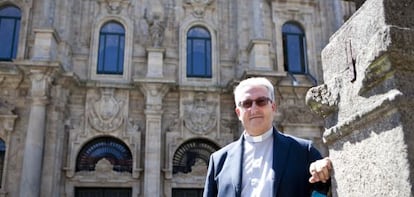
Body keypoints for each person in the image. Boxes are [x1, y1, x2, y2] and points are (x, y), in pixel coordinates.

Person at [203, 77, 332, 197]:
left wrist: (326, 170)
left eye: (261, 101)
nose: (254, 109)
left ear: (273, 107)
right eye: (247, 103)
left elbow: (324, 190)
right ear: (238, 112)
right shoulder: (219, 161)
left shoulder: (304, 151)